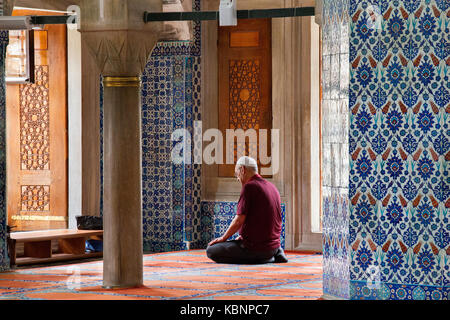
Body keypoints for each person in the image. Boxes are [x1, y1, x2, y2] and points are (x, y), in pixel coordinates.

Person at [206, 156, 288, 264]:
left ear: (243, 170)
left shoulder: (249, 187)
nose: (237, 178)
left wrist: (224, 237)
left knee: (211, 250)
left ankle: (265, 259)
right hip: (274, 246)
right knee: (235, 243)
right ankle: (276, 253)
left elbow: (239, 220)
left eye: (237, 174)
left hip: (255, 249)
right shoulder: (271, 187)